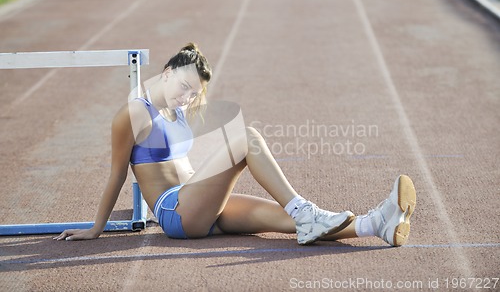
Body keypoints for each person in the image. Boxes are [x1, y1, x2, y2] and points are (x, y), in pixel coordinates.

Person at [54, 43, 416, 246]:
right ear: (165, 74)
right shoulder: (133, 114)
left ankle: (375, 224)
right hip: (176, 212)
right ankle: (306, 211)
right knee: (247, 138)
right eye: (183, 87)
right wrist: (95, 228)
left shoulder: (179, 114)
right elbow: (118, 174)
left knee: (288, 219)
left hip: (203, 204)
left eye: (194, 93)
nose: (187, 97)